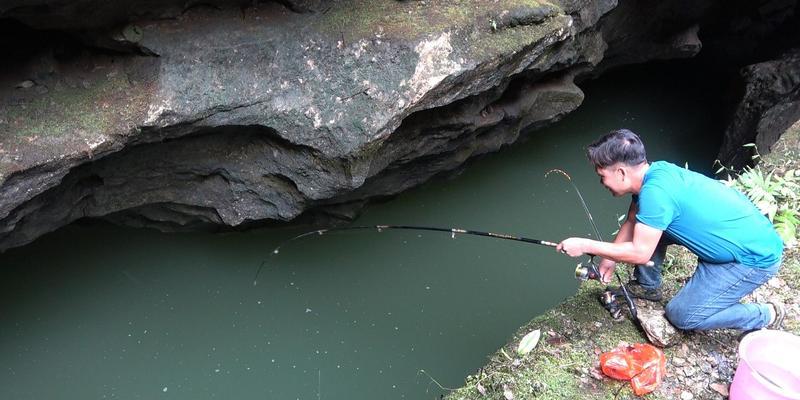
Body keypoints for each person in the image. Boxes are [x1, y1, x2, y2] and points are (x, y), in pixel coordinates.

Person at [556, 129, 785, 331]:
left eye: (602, 176)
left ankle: (764, 314)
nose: (602, 183)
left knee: (682, 316)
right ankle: (648, 287)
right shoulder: (654, 174)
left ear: (621, 173)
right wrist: (608, 258)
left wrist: (585, 245)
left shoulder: (656, 193)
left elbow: (639, 253)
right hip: (737, 241)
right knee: (646, 229)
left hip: (750, 259)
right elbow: (633, 220)